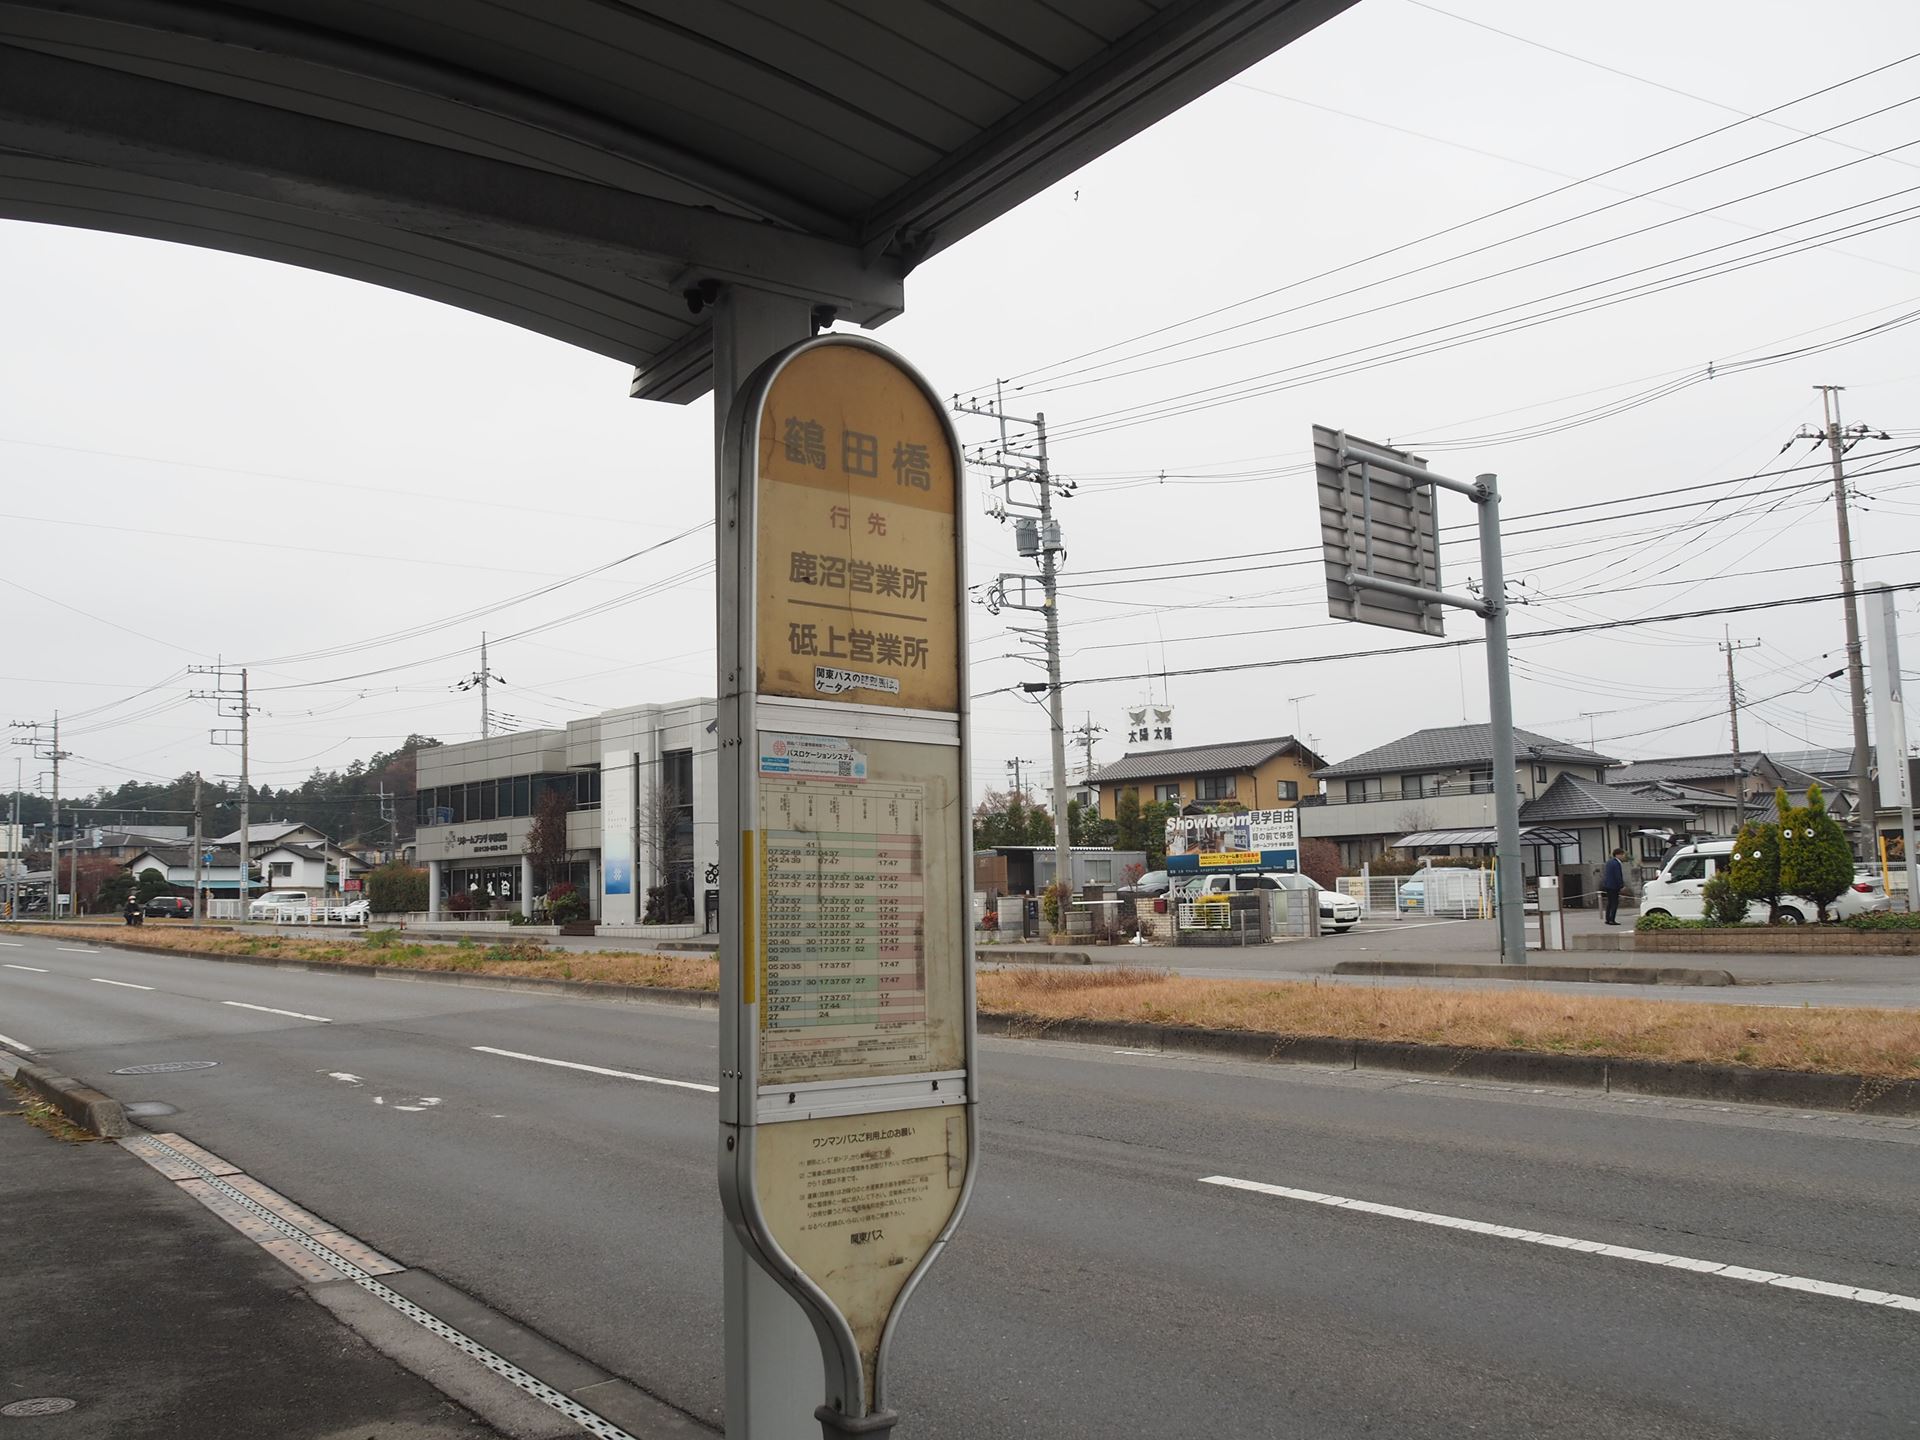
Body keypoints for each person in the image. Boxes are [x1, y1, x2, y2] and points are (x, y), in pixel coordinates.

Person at [1601, 848, 1626, 925]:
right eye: (1622, 854)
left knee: (1610, 902)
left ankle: (1608, 919)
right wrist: (1621, 885)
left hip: (1608, 885)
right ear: (1617, 855)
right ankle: (1612, 919)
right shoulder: (1616, 863)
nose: (1623, 856)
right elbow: (1618, 875)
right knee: (1614, 903)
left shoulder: (1609, 862)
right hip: (1614, 886)